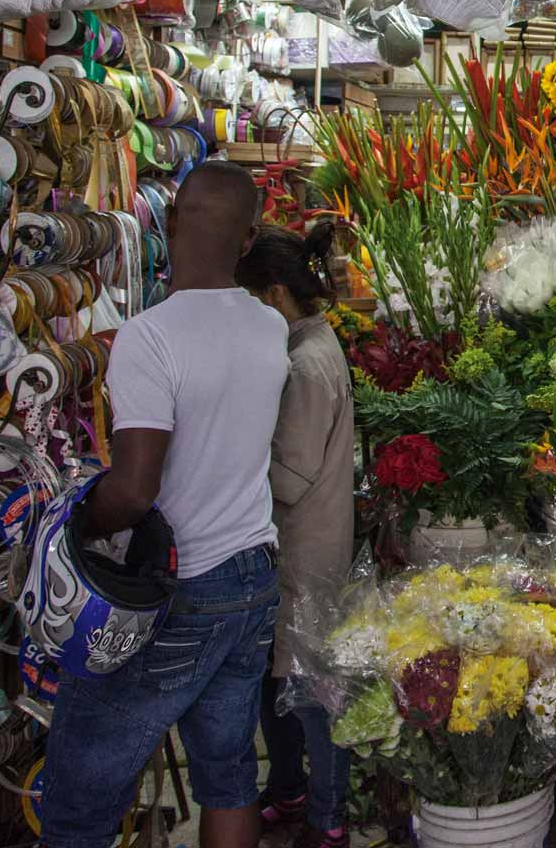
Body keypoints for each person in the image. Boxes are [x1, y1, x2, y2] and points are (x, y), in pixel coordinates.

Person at [41, 161, 292, 848]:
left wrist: (74, 529)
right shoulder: (270, 328)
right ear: (247, 242)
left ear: (170, 221)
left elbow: (133, 490)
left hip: (183, 586)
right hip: (252, 576)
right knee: (229, 775)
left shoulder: (149, 337)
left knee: (80, 792)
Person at [238, 223, 356, 848]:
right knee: (278, 680)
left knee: (309, 688)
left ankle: (327, 816)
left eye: (253, 298)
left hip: (306, 546)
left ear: (276, 293)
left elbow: (290, 475)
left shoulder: (308, 364)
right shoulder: (307, 347)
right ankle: (288, 791)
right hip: (296, 543)